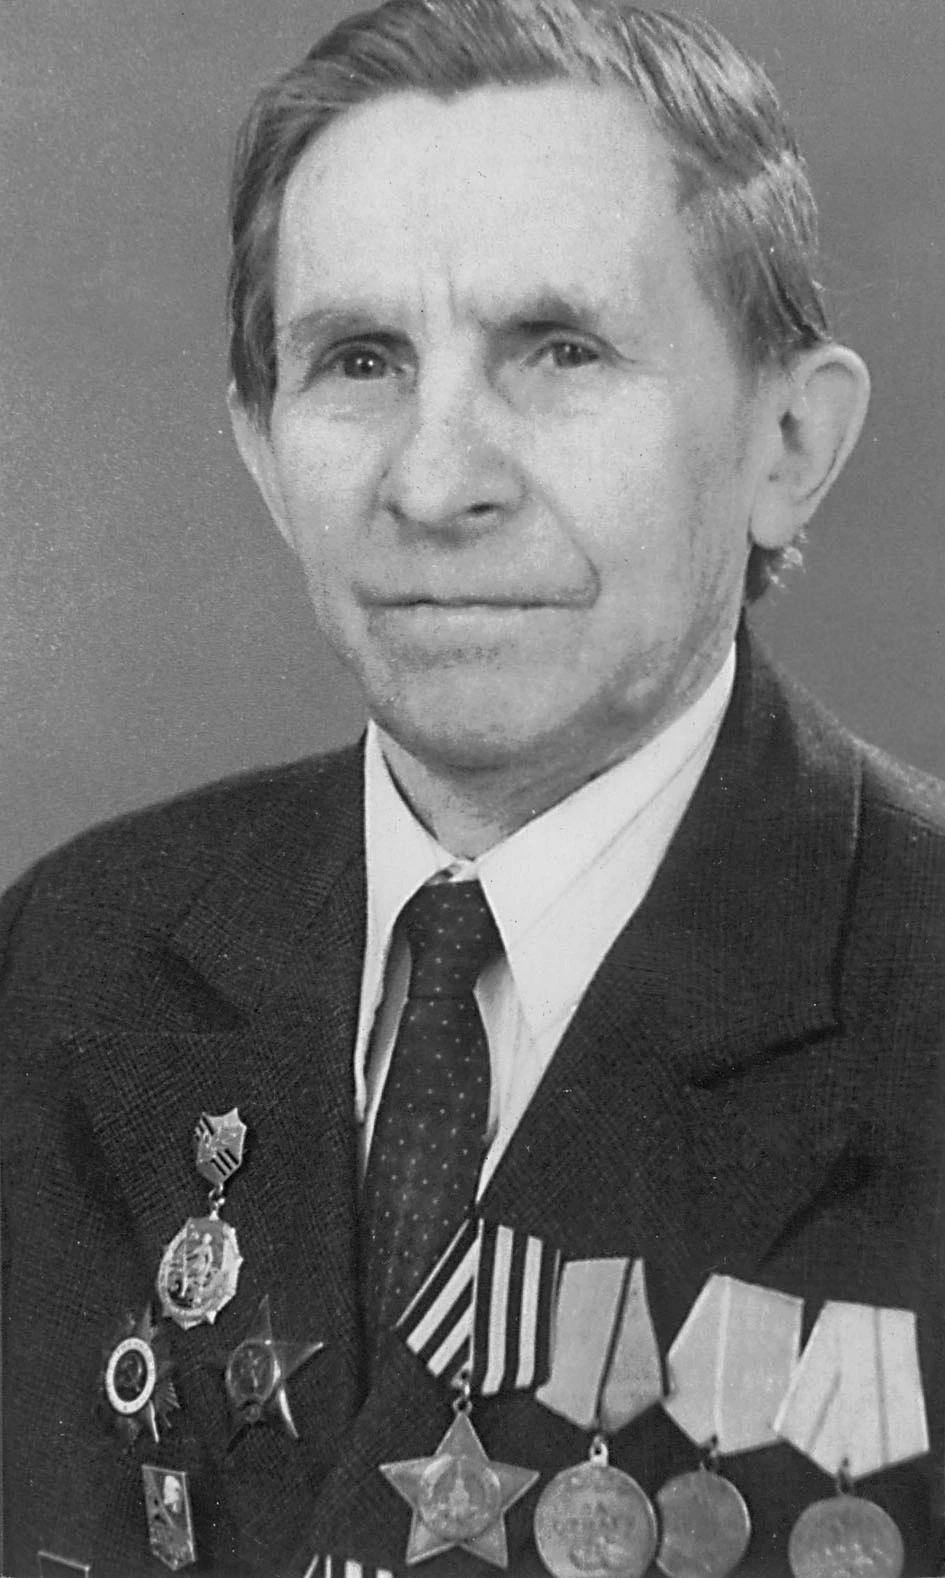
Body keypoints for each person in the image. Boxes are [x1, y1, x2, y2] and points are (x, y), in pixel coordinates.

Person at [2, 1, 943, 1575]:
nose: (436, 481)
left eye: (560, 350)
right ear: (262, 446)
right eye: (359, 361)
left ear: (788, 442)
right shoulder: (69, 957)